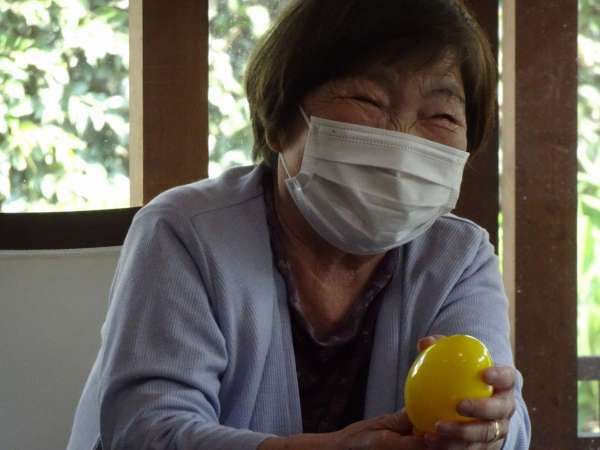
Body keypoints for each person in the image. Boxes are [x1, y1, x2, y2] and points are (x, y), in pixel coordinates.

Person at [67, 1, 531, 449]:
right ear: (278, 120)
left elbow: (506, 421)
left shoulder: (458, 257)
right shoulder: (185, 232)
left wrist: (487, 429)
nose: (402, 139)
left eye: (442, 115)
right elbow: (146, 430)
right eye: (367, 99)